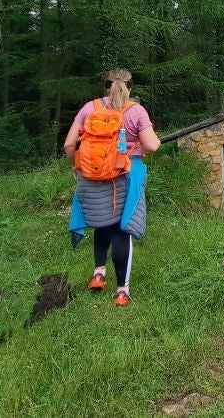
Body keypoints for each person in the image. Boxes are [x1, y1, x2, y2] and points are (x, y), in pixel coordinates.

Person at [63, 70, 160, 306]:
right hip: (124, 174)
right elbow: (152, 145)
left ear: (105, 87)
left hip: (90, 175)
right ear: (130, 88)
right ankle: (122, 291)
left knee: (101, 221)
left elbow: (68, 144)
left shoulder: (90, 108)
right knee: (120, 230)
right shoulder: (136, 110)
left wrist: (76, 167)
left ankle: (98, 274)